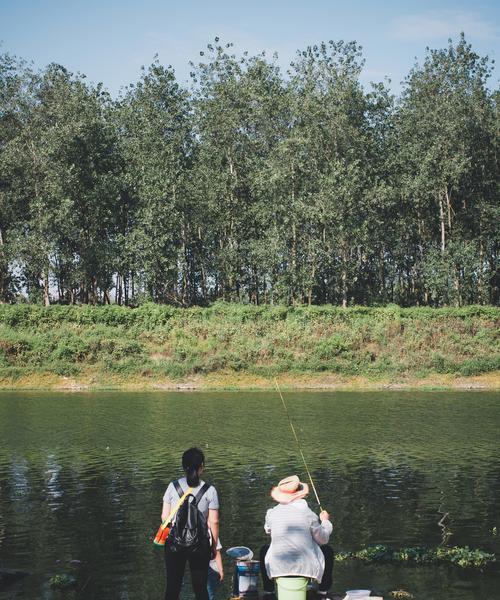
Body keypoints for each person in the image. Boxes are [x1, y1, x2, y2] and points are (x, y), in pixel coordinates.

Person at [260, 475, 334, 600]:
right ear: (300, 494)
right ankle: (322, 592)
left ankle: (269, 592)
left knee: (264, 549)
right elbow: (323, 539)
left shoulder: (271, 513)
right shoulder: (308, 514)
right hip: (305, 567)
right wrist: (325, 521)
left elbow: (268, 530)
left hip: (278, 567)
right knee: (327, 550)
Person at [161, 447, 220, 600]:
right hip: (200, 545)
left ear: (183, 466)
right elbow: (213, 521)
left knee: (172, 588)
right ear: (202, 467)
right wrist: (214, 547)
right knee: (200, 589)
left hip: (175, 544)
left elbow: (164, 517)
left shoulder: (172, 487)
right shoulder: (210, 490)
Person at [207, 535, 224, 600]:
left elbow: (217, 552)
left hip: (209, 569)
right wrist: (221, 571)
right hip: (211, 568)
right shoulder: (211, 530)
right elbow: (217, 551)